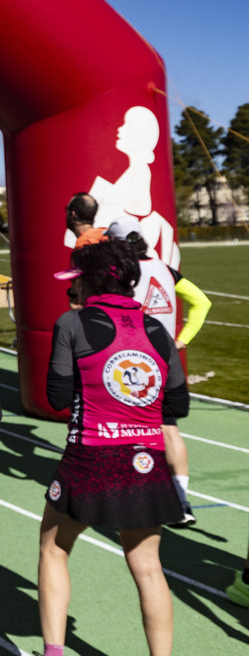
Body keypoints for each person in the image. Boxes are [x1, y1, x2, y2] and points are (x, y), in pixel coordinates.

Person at [39, 239, 186, 656]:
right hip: (146, 460)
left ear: (89, 282)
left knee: (53, 548)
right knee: (148, 567)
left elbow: (56, 396)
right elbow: (178, 405)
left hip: (90, 457)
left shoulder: (73, 323)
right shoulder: (158, 330)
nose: (73, 292)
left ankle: (54, 652)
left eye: (76, 283)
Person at [105, 216, 210, 526]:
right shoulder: (167, 270)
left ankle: (132, 497)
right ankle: (181, 502)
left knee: (123, 431)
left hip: (132, 362)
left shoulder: (122, 275)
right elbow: (202, 303)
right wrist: (181, 341)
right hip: (166, 359)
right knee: (169, 429)